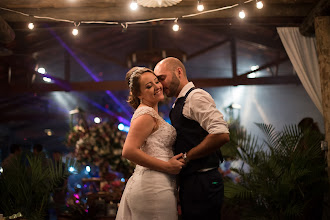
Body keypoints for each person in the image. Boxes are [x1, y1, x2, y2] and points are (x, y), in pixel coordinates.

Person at [154, 57, 230, 220]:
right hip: (193, 181)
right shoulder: (179, 103)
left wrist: (188, 157)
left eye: (162, 78)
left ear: (178, 72)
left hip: (204, 180)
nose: (160, 85)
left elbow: (221, 134)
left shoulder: (195, 97)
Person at [116, 67, 185, 220]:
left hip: (159, 184)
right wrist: (167, 166)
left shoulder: (151, 113)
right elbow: (128, 151)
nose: (156, 87)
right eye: (149, 86)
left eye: (156, 81)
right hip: (152, 187)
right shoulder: (145, 115)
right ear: (139, 94)